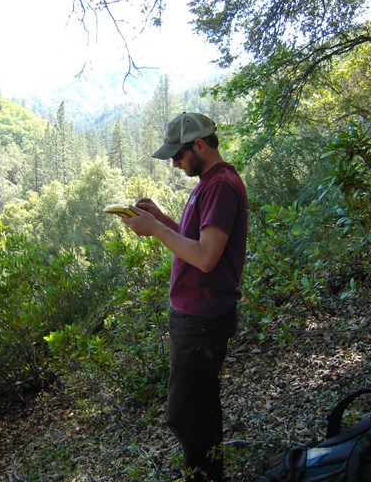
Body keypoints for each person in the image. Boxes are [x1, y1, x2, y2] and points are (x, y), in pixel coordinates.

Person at [123, 112, 248, 482]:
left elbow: (206, 259)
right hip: (196, 315)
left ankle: (206, 474)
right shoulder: (209, 182)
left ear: (200, 145)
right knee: (198, 406)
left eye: (178, 155)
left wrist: (155, 231)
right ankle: (209, 470)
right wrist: (160, 219)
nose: (175, 163)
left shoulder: (221, 186)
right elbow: (199, 242)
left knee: (189, 412)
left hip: (203, 320)